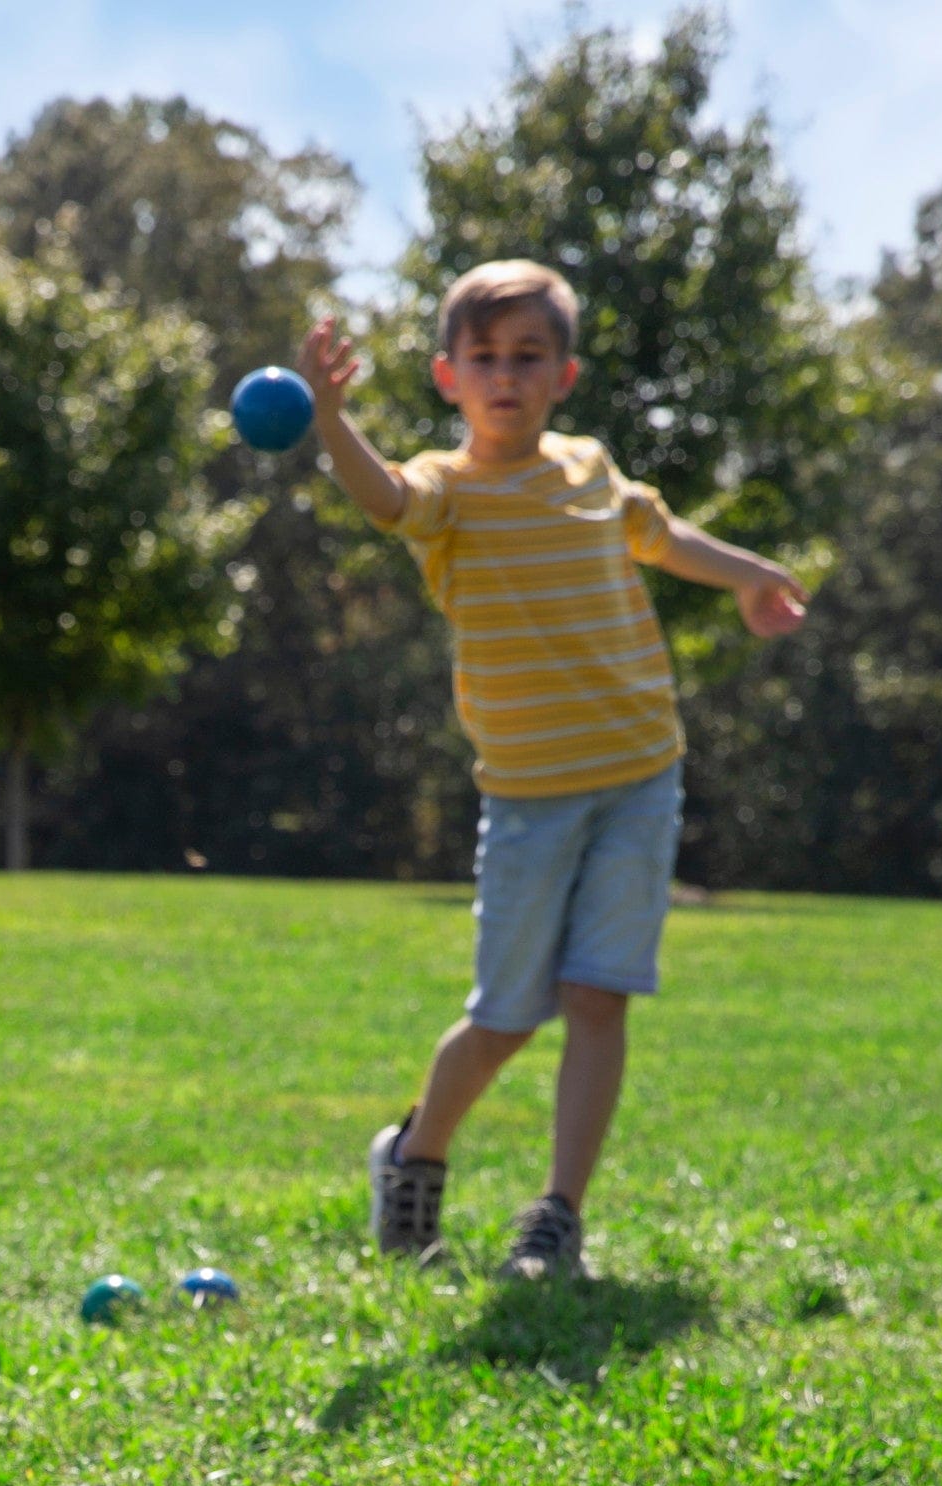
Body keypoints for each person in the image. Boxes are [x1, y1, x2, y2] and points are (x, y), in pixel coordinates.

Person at [296, 262, 808, 1279]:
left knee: (599, 999)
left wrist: (750, 574)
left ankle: (556, 1218)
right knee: (502, 1021)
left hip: (639, 775)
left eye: (528, 357)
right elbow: (381, 496)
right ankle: (412, 1157)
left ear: (562, 373)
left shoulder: (587, 468)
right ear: (447, 377)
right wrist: (327, 414)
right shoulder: (447, 491)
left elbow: (661, 539)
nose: (505, 376)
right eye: (484, 358)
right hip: (527, 800)